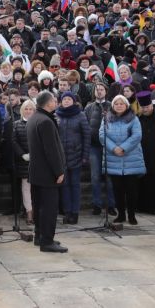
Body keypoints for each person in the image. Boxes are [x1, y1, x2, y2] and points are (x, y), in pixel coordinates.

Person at [26, 91, 67, 253]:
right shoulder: (46, 121)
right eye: (54, 100)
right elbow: (51, 150)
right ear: (49, 103)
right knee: (49, 208)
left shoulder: (34, 118)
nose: (56, 102)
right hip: (47, 173)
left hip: (36, 172)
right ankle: (47, 241)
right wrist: (59, 171)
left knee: (39, 206)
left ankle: (39, 237)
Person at [99, 94, 146, 224]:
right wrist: (114, 148)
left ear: (126, 105)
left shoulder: (133, 118)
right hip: (113, 157)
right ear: (112, 106)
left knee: (132, 190)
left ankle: (131, 215)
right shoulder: (106, 118)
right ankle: (121, 215)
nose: (119, 106)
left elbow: (137, 135)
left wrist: (123, 148)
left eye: (121, 103)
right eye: (116, 104)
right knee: (117, 190)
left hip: (130, 157)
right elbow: (102, 135)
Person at [55, 91, 90, 225]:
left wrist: (85, 156)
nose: (67, 101)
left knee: (75, 186)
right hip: (61, 157)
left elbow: (86, 136)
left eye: (69, 99)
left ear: (74, 101)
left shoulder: (80, 115)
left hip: (76, 156)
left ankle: (75, 213)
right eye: (65, 99)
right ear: (61, 102)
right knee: (64, 186)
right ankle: (67, 212)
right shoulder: (57, 115)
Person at [83, 81, 116, 216]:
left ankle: (112, 205)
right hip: (93, 146)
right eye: (97, 90)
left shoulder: (111, 106)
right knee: (95, 176)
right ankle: (96, 205)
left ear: (106, 91)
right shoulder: (89, 107)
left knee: (110, 178)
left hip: (109, 147)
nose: (99, 91)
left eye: (102, 89)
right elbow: (85, 127)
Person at [11, 99, 35, 224]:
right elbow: (14, 141)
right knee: (26, 188)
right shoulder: (16, 124)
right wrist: (22, 154)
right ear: (22, 110)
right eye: (26, 108)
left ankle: (36, 211)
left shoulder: (38, 123)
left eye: (31, 109)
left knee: (36, 189)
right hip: (23, 161)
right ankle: (29, 212)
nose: (28, 111)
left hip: (37, 161)